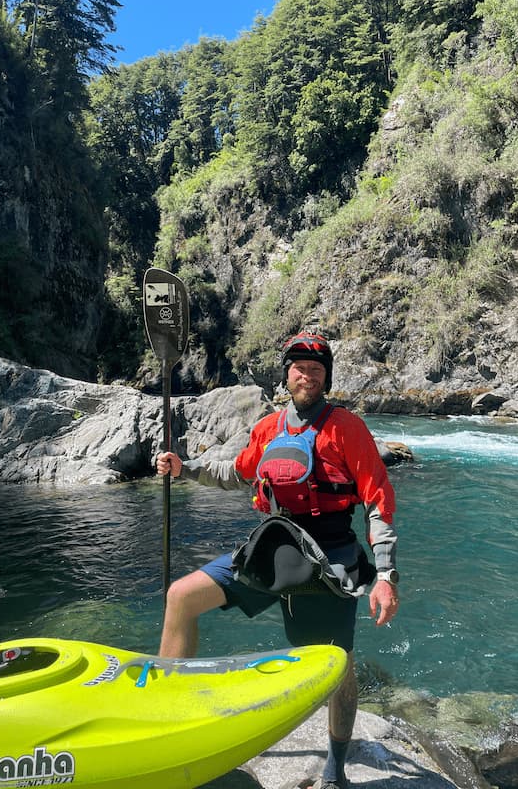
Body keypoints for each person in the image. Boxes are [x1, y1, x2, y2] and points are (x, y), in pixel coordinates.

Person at [156, 331, 399, 789]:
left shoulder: (346, 428)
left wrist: (385, 574)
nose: (307, 375)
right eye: (299, 368)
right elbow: (237, 473)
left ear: (326, 378)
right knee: (181, 597)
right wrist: (183, 469)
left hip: (330, 560)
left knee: (337, 666)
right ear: (286, 374)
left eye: (316, 369)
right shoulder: (269, 427)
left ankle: (336, 767)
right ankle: (167, 721)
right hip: (274, 549)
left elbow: (378, 498)